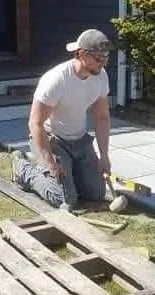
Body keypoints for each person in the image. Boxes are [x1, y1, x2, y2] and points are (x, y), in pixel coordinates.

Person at [11, 29, 112, 210]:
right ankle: (22, 168)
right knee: (63, 199)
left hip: (80, 140)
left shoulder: (101, 77)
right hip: (53, 140)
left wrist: (104, 155)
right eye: (99, 58)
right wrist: (50, 161)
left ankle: (72, 173)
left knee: (95, 194)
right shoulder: (56, 80)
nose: (102, 63)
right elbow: (35, 123)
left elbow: (102, 117)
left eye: (106, 58)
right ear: (81, 54)